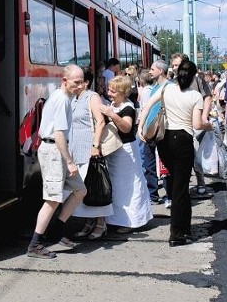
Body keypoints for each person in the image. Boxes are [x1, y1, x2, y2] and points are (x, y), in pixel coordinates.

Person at [138, 59, 213, 246]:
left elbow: (147, 106)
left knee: (175, 185)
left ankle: (181, 226)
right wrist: (209, 125)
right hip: (183, 141)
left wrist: (141, 127)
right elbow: (197, 124)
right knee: (181, 189)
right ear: (194, 76)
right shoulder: (195, 96)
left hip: (164, 140)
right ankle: (178, 233)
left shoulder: (166, 89)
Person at [27, 64, 87, 259]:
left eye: (82, 82)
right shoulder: (62, 100)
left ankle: (57, 231)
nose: (79, 86)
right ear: (65, 81)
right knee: (52, 199)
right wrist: (70, 161)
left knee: (80, 190)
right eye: (76, 83)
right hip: (54, 150)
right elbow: (59, 134)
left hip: (57, 149)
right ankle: (35, 244)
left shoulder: (62, 97)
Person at [99, 75, 153, 234]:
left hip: (126, 151)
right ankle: (117, 219)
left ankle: (132, 221)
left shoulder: (127, 107)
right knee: (117, 186)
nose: (109, 93)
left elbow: (126, 127)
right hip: (116, 150)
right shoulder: (114, 104)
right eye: (109, 90)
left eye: (113, 91)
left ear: (123, 93)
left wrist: (112, 114)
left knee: (129, 185)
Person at [69, 68, 113, 239]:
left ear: (85, 82)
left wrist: (95, 145)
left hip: (89, 148)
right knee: (84, 187)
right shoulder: (74, 98)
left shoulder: (92, 97)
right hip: (76, 149)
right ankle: (88, 222)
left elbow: (100, 121)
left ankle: (101, 224)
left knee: (94, 187)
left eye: (77, 80)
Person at [170, 53, 213, 199]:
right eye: (173, 65)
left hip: (194, 124)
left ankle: (200, 183)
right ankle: (183, 185)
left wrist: (204, 116)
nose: (175, 68)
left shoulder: (197, 80)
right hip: (177, 126)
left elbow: (207, 97)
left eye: (177, 65)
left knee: (195, 154)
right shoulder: (171, 83)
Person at [138, 60, 169, 205]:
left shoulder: (169, 87)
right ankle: (153, 195)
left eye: (152, 69)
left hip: (163, 130)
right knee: (148, 164)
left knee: (166, 164)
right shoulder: (154, 87)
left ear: (160, 71)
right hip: (150, 130)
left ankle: (169, 195)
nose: (150, 72)